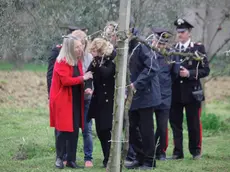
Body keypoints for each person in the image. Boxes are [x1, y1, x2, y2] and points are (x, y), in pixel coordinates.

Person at [47, 28, 94, 168]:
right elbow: (66, 81)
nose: (81, 49)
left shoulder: (77, 61)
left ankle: (72, 160)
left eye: (81, 46)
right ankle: (59, 158)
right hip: (63, 101)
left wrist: (86, 86)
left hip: (75, 100)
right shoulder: (61, 61)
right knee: (62, 131)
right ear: (70, 48)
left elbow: (79, 79)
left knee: (74, 130)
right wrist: (83, 78)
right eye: (77, 47)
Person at [169, 18, 210, 160]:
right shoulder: (173, 49)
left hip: (192, 92)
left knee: (193, 123)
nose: (180, 34)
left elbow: (206, 70)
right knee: (175, 124)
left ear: (189, 32)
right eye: (178, 32)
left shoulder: (198, 48)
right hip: (176, 93)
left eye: (183, 32)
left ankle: (195, 151)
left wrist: (190, 74)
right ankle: (177, 152)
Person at [125, 32, 161, 170]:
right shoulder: (126, 46)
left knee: (146, 129)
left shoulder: (142, 45)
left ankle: (150, 161)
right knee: (132, 127)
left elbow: (152, 68)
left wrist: (136, 84)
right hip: (133, 95)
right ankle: (139, 157)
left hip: (146, 94)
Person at [86, 38, 116, 168]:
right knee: (100, 131)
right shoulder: (95, 62)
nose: (92, 53)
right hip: (98, 101)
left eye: (94, 50)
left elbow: (106, 73)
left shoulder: (111, 61)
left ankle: (109, 159)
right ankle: (106, 157)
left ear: (100, 50)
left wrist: (97, 63)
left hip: (109, 101)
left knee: (107, 130)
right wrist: (88, 85)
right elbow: (88, 73)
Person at [151, 28, 175, 161]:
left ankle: (160, 152)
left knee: (162, 126)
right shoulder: (149, 52)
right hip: (150, 94)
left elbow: (174, 74)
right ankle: (149, 150)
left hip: (165, 95)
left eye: (163, 44)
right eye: (159, 43)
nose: (161, 46)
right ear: (154, 41)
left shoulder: (171, 55)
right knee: (147, 125)